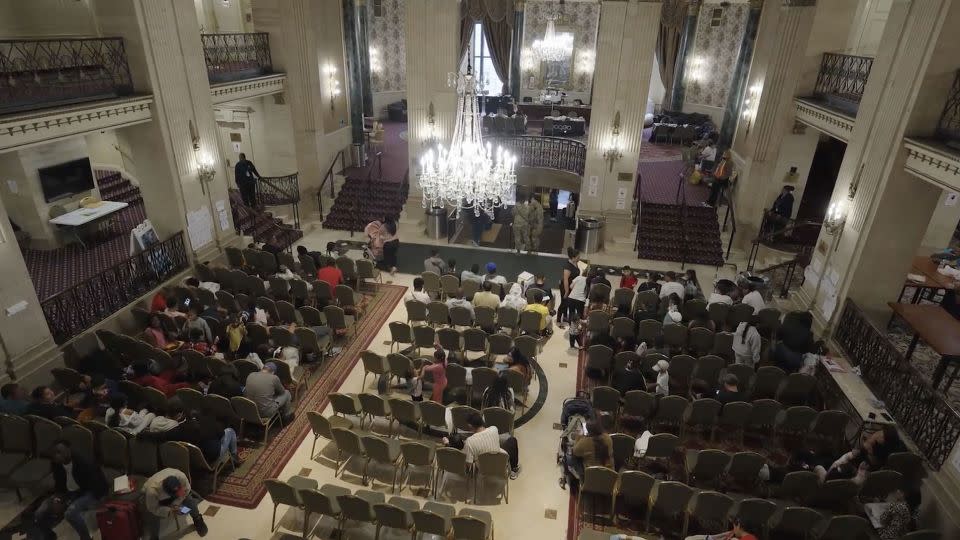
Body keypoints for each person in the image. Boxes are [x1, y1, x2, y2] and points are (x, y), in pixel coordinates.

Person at [30, 441, 108, 540]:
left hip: (89, 492)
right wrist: (57, 499)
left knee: (70, 513)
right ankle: (49, 535)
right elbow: (59, 485)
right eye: (54, 453)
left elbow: (98, 485)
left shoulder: (84, 462)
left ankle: (86, 538)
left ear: (68, 449)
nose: (57, 456)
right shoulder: (56, 464)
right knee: (39, 513)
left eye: (59, 452)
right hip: (68, 493)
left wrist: (73, 502)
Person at [143, 469, 208, 538]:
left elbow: (186, 491)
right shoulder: (152, 491)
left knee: (189, 500)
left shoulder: (181, 477)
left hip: (175, 496)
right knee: (152, 515)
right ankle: (154, 537)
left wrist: (176, 505)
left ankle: (198, 520)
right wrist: (170, 510)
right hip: (159, 499)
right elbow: (153, 508)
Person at [164, 409, 241, 466]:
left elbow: (164, 435)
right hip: (213, 456)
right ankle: (234, 457)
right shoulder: (207, 424)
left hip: (197, 460)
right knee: (230, 431)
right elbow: (222, 434)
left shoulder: (182, 429)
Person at [458, 412, 521, 479]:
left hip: (483, 468)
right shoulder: (494, 429)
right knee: (512, 440)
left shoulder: (469, 442)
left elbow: (469, 464)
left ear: (470, 426)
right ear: (482, 421)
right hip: (500, 464)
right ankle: (514, 470)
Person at [558, 248, 581, 326]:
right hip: (565, 287)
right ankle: (558, 319)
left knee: (570, 303)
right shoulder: (567, 266)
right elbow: (565, 280)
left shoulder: (575, 262)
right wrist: (567, 291)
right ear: (573, 257)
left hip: (572, 286)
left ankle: (565, 316)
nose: (579, 258)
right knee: (564, 303)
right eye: (578, 257)